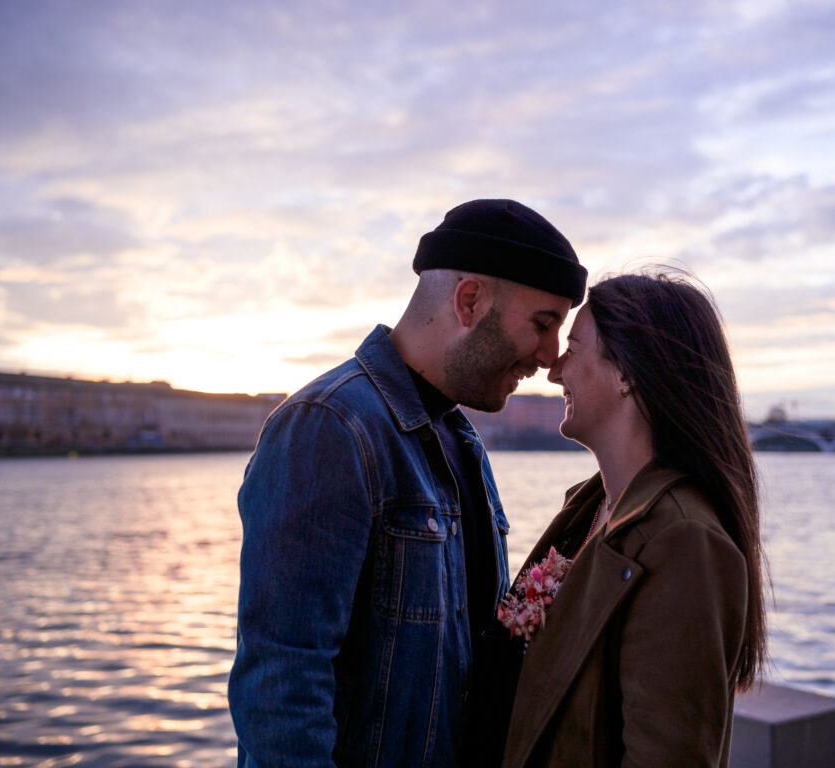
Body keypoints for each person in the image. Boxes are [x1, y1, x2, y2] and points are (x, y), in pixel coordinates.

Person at [228, 199, 587, 768]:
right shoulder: (330, 426)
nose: (549, 356)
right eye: (543, 324)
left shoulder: (460, 440)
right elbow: (282, 684)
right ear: (470, 301)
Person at [500, 271, 767, 768]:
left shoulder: (684, 542)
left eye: (574, 348)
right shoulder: (586, 511)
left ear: (628, 374)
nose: (554, 370)